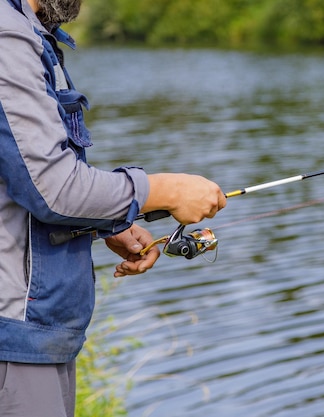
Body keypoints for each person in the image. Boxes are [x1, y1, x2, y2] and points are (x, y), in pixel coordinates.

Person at [0, 0, 227, 415]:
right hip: (14, 335)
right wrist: (161, 189)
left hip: (35, 332)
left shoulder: (28, 31)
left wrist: (108, 222)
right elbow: (53, 188)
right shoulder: (6, 36)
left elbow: (21, 175)